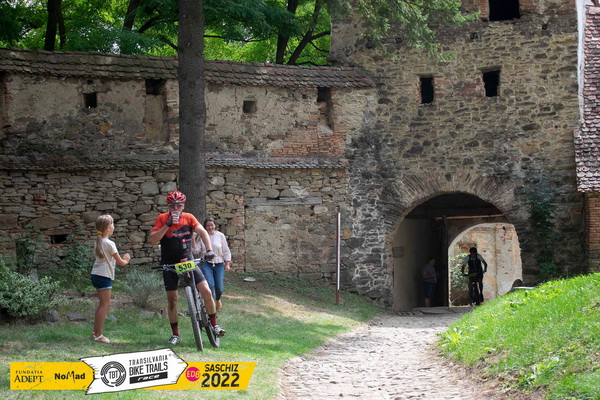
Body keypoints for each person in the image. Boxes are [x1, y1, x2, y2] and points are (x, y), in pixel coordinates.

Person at [149, 190, 225, 345]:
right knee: (172, 300)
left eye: (179, 205)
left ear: (183, 206)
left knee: (206, 291)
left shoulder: (189, 217)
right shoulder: (162, 218)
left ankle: (214, 324)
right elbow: (152, 240)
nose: (175, 208)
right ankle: (175, 334)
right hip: (169, 263)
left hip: (187, 261)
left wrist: (209, 250)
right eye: (172, 206)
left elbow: (202, 232)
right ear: (168, 206)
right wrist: (167, 225)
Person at [90, 214, 131, 343]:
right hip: (103, 275)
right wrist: (126, 259)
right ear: (108, 228)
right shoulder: (109, 243)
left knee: (102, 304)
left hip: (96, 274)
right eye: (112, 224)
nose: (113, 226)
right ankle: (98, 335)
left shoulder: (99, 241)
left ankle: (95, 332)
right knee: (105, 305)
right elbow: (121, 262)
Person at [192, 217, 232, 312]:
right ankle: (211, 305)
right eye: (208, 225)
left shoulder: (220, 235)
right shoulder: (202, 237)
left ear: (215, 225)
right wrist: (193, 239)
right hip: (206, 263)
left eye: (211, 225)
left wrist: (227, 263)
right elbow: (196, 251)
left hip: (219, 264)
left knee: (219, 287)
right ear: (205, 227)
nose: (210, 227)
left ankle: (218, 299)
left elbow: (226, 250)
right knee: (210, 285)